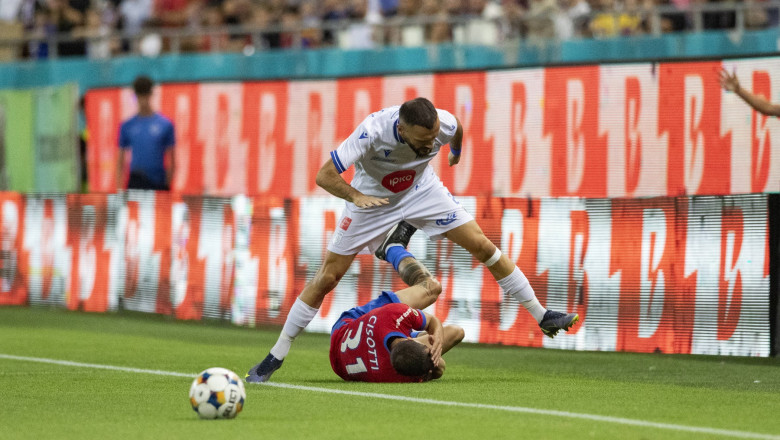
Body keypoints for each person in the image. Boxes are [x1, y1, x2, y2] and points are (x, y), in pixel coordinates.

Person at [246, 97, 578, 383]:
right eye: (423, 141)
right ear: (402, 131)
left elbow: (457, 128)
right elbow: (324, 175)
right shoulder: (372, 131)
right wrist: (356, 196)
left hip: (421, 192)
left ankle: (542, 315)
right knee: (327, 277)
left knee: (482, 244)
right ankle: (276, 355)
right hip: (372, 202)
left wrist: (455, 152)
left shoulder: (440, 126)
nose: (431, 146)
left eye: (435, 138)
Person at [330, 256, 464, 382]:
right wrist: (434, 345)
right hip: (340, 362)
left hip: (344, 329)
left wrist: (437, 340)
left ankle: (392, 249)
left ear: (409, 339)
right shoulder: (395, 374)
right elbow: (437, 368)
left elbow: (432, 321)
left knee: (432, 287)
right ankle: (393, 246)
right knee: (457, 332)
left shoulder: (394, 313)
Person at [117, 75, 176, 191]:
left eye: (145, 95)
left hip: (158, 181)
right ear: (135, 96)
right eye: (140, 96)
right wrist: (119, 189)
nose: (143, 100)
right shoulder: (127, 126)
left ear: (151, 94)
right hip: (136, 181)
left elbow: (172, 159)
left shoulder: (165, 124)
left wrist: (167, 185)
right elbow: (120, 161)